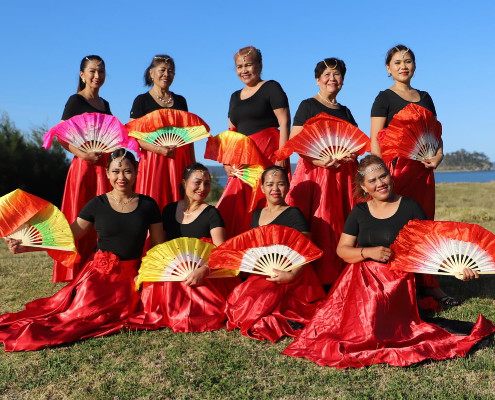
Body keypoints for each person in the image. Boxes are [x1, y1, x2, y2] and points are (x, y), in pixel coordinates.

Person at [283, 155, 495, 368]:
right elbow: (342, 251)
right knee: (346, 326)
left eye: (382, 176)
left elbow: (431, 247)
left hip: (397, 282)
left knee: (380, 319)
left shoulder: (411, 207)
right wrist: (368, 252)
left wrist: (458, 269)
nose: (380, 183)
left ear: (390, 176)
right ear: (364, 187)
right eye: (372, 181)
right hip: (360, 281)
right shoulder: (359, 212)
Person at [0, 149, 164, 352]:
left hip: (132, 279)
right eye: (115, 171)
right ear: (107, 173)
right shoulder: (97, 204)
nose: (121, 177)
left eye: (127, 171)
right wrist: (27, 246)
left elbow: (159, 244)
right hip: (97, 279)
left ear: (137, 171)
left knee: (119, 314)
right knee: (78, 317)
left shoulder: (148, 205)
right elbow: (68, 237)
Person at [370, 44, 451, 306]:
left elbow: (435, 135)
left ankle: (430, 285)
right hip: (397, 171)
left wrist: (438, 156)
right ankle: (397, 283)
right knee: (398, 225)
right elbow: (375, 140)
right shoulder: (384, 97)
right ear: (388, 68)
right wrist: (379, 172)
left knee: (424, 223)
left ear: (414, 66)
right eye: (397, 62)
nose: (403, 66)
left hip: (423, 172)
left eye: (407, 61)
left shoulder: (426, 97)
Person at [125, 163, 240, 333]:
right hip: (171, 273)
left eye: (207, 183)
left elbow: (222, 251)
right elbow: (158, 247)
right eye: (197, 182)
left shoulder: (212, 213)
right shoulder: (169, 210)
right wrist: (145, 271)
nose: (203, 188)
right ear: (184, 182)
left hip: (204, 274)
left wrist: (204, 270)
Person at [224, 166, 326, 342]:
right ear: (262, 188)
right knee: (240, 303)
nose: (275, 189)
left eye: (280, 184)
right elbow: (253, 246)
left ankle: (282, 318)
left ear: (287, 187)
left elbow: (305, 250)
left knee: (259, 304)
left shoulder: (294, 214)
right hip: (264, 272)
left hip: (292, 274)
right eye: (270, 184)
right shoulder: (257, 214)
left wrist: (291, 275)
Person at [286, 58, 358, 288]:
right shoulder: (308, 105)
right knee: (321, 221)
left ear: (343, 81)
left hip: (343, 176)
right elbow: (294, 142)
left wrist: (349, 156)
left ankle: (341, 274)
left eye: (337, 75)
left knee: (343, 223)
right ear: (318, 80)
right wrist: (319, 160)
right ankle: (320, 277)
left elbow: (355, 143)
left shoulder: (345, 111)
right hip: (316, 173)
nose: (332, 79)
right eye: (327, 74)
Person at [217, 46, 291, 237]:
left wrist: (282, 154)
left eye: (248, 65)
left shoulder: (271, 87)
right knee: (236, 203)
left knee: (266, 197)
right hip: (242, 159)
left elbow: (284, 121)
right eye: (239, 66)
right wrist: (226, 160)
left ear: (259, 65)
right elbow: (231, 130)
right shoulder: (234, 96)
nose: (244, 70)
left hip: (267, 152)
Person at [54, 55, 113, 283]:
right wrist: (83, 154)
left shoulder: (105, 104)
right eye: (92, 71)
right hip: (84, 168)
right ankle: (76, 273)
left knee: (104, 219)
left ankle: (99, 270)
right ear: (82, 75)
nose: (97, 76)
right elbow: (60, 134)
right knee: (80, 215)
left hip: (104, 168)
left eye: (101, 71)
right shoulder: (75, 101)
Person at [130, 54, 195, 211]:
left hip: (179, 159)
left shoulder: (181, 101)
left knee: (180, 203)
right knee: (154, 203)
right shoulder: (141, 100)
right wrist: (159, 149)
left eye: (171, 71)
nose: (166, 74)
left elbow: (189, 134)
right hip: (153, 161)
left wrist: (192, 165)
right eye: (162, 70)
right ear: (151, 73)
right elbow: (133, 136)